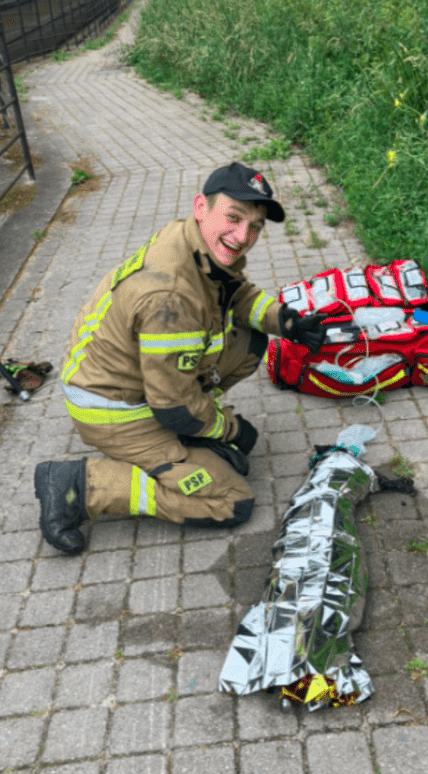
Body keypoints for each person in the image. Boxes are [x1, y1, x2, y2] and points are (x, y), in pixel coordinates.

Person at [35, 162, 326, 554]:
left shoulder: (191, 240)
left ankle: (191, 434)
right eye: (234, 217)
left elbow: (236, 294)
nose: (243, 237)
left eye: (255, 226)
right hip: (114, 411)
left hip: (132, 381)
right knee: (232, 501)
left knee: (250, 338)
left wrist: (286, 321)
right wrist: (228, 429)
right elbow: (172, 407)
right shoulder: (171, 297)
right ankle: (78, 485)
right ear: (201, 207)